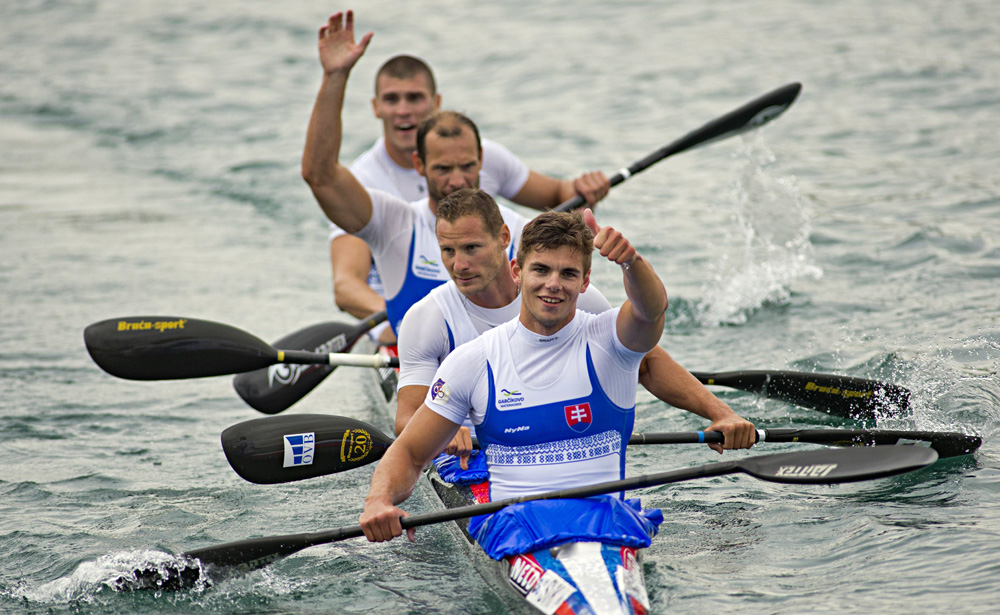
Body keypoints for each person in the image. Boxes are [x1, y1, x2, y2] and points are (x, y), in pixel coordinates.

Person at [360, 209, 671, 547]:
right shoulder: (472, 361)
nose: (553, 284)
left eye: (568, 273)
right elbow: (408, 453)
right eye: (540, 269)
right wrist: (378, 500)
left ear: (584, 282)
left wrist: (631, 262)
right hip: (518, 529)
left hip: (607, 519)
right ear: (517, 272)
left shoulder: (613, 339)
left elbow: (651, 310)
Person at [396, 188, 755, 466]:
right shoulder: (428, 317)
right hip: (472, 460)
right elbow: (407, 421)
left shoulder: (572, 295)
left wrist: (719, 412)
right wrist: (446, 430)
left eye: (471, 248)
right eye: (447, 252)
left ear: (504, 238)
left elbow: (645, 361)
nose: (458, 265)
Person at [318, 12, 610, 341]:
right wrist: (402, 325)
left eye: (414, 98)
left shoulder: (509, 214)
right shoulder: (375, 195)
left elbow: (561, 198)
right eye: (443, 169)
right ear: (420, 165)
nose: (458, 180)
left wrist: (584, 191)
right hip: (401, 321)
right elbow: (345, 285)